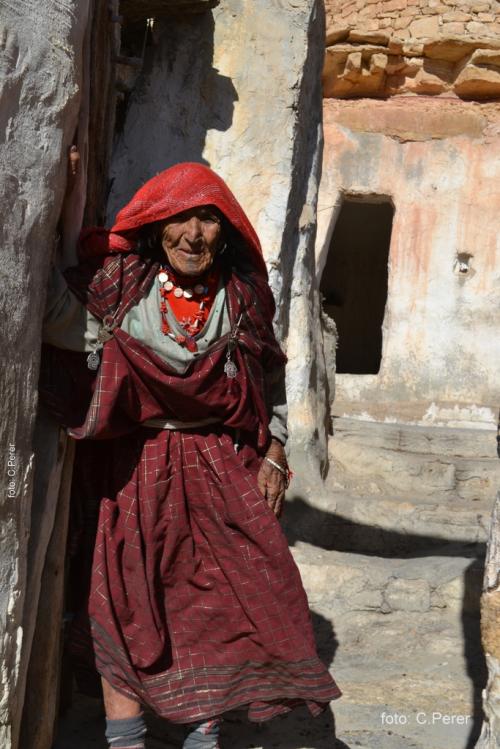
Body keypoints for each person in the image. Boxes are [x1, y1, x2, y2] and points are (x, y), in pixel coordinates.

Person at [41, 162, 340, 749]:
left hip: (219, 468)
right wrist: (64, 197)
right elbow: (58, 317)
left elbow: (266, 379)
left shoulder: (244, 296)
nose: (194, 234)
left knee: (222, 605)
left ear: (225, 232)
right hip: (133, 470)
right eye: (181, 218)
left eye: (208, 219)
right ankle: (125, 741)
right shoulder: (122, 286)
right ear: (156, 226)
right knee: (127, 604)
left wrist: (274, 449)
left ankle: (202, 736)